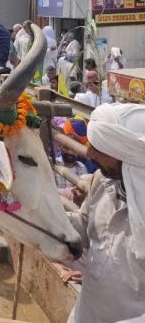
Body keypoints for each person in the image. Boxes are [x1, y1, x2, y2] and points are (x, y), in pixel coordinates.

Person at [63, 104, 145, 323]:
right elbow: (83, 231)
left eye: (100, 146)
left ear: (127, 153)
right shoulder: (103, 182)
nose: (89, 153)